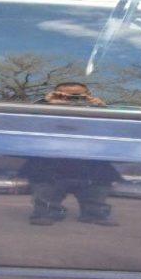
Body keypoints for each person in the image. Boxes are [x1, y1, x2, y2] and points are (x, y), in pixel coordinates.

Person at [20, 82, 120, 226]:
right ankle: (46, 212)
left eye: (78, 96)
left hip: (92, 167)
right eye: (64, 96)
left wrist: (103, 109)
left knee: (96, 201)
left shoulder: (98, 113)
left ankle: (94, 214)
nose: (72, 100)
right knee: (44, 206)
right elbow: (23, 125)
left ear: (89, 96)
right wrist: (45, 104)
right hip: (47, 166)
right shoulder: (45, 110)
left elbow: (115, 132)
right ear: (54, 95)